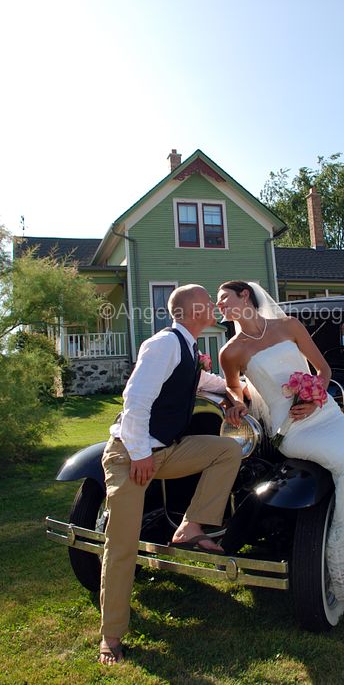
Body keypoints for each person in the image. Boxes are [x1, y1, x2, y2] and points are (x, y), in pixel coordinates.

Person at [217, 280, 344, 621]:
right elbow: (234, 388)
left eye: (223, 299)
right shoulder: (230, 351)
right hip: (290, 427)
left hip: (324, 414)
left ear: (245, 295)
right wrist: (234, 404)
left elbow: (322, 371)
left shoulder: (289, 326)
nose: (219, 306)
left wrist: (314, 396)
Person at [99, 284, 242, 665]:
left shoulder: (189, 349)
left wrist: (232, 396)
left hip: (167, 451)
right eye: (208, 303)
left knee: (227, 450)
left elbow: (198, 383)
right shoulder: (162, 344)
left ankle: (190, 528)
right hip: (131, 455)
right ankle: (111, 635)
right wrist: (140, 452)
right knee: (122, 543)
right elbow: (135, 400)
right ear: (195, 310)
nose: (213, 306)